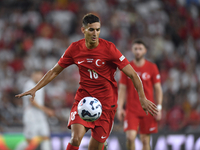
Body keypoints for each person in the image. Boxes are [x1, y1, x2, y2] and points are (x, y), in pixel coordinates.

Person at [15, 13, 158, 150]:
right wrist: (35, 88)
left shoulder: (109, 49)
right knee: (75, 139)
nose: (95, 33)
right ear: (83, 30)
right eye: (91, 30)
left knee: (94, 147)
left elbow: (132, 74)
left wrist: (142, 97)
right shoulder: (75, 49)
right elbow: (54, 71)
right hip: (84, 99)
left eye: (98, 30)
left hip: (106, 104)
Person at [117, 39, 163, 150]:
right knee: (130, 138)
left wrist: (159, 108)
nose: (138, 51)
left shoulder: (152, 67)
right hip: (131, 109)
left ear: (145, 51)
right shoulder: (127, 68)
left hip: (147, 108)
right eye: (136, 49)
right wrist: (120, 108)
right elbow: (122, 89)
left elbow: (158, 89)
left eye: (140, 49)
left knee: (145, 141)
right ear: (132, 50)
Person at [15, 69, 54, 150]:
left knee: (46, 137)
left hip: (40, 115)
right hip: (31, 115)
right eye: (36, 75)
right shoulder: (29, 84)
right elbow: (32, 101)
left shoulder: (41, 85)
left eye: (40, 75)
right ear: (32, 75)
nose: (38, 77)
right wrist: (46, 110)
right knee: (29, 140)